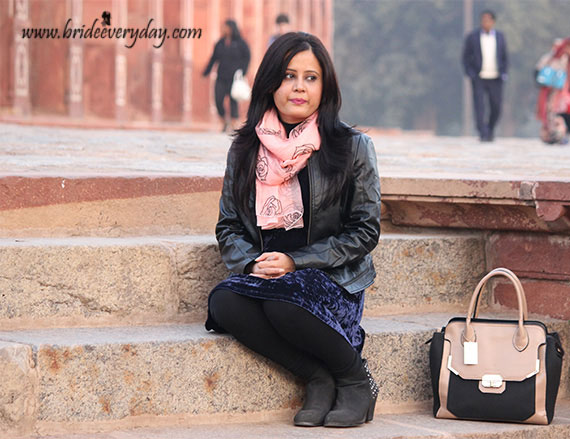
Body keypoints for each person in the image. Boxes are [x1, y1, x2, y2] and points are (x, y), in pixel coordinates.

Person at [205, 32, 381, 428]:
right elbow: (229, 225)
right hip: (270, 274)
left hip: (331, 275)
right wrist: (251, 264)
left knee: (285, 302)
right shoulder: (246, 148)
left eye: (311, 77)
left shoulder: (351, 147)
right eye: (288, 75)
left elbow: (364, 231)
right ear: (270, 82)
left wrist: (295, 261)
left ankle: (355, 379)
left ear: (325, 85)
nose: (299, 86)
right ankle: (317, 377)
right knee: (224, 303)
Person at [462, 10, 508, 142]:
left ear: (493, 22)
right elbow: (465, 57)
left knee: (496, 106)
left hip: (496, 77)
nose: (485, 22)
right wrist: (470, 73)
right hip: (479, 77)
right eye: (483, 20)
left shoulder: (500, 37)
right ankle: (483, 132)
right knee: (479, 106)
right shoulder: (472, 37)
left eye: (488, 20)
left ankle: (490, 129)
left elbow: (505, 57)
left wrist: (504, 73)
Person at [203, 19, 251, 132]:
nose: (223, 30)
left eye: (226, 27)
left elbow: (247, 57)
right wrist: (207, 71)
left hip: (233, 78)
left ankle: (234, 124)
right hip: (221, 76)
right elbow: (214, 58)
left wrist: (243, 71)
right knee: (218, 100)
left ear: (231, 29)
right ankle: (224, 121)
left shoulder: (241, 43)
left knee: (233, 101)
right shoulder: (220, 43)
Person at [536, 38, 570, 144]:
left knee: (562, 113)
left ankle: (560, 134)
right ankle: (553, 135)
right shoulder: (552, 59)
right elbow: (539, 71)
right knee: (553, 113)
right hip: (553, 91)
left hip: (564, 92)